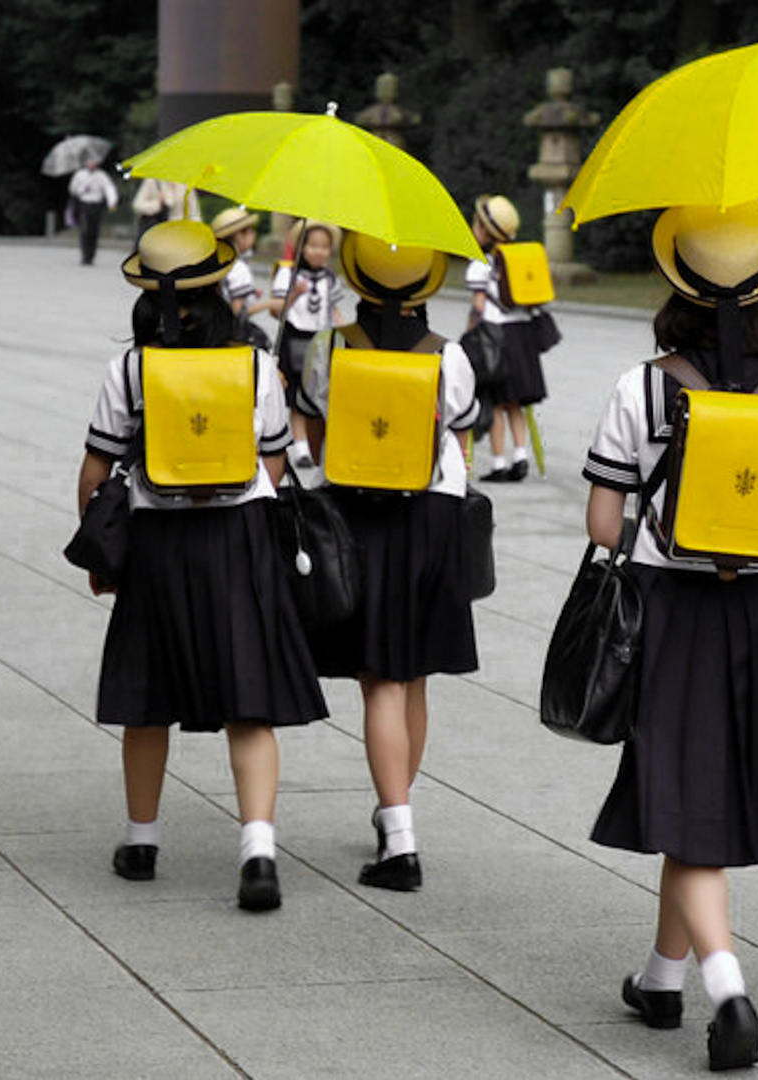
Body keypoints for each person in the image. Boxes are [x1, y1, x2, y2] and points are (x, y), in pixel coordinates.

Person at [580, 202, 758, 1071]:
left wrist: (658, 532)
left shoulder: (642, 384)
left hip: (668, 607)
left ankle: (724, 988)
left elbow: (602, 519)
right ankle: (660, 977)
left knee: (684, 797)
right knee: (691, 792)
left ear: (676, 282)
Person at [76, 219, 327, 911]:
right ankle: (257, 849)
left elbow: (97, 467)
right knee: (249, 702)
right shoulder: (253, 365)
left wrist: (102, 553)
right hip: (238, 537)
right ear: (217, 287)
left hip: (157, 542)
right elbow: (273, 460)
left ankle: (140, 839)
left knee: (147, 696)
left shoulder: (129, 368)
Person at [296, 231, 479, 892]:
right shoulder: (448, 354)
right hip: (429, 517)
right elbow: (458, 438)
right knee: (413, 673)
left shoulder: (331, 345)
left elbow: (313, 435)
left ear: (357, 275)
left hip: (355, 515)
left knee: (380, 679)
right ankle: (393, 808)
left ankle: (400, 839)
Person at [465, 195, 547, 482]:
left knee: (497, 402)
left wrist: (469, 336)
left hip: (495, 337)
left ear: (487, 231)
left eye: (477, 224)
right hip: (522, 337)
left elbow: (478, 307)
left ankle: (499, 463)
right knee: (517, 403)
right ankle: (521, 455)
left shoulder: (480, 265)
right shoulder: (522, 260)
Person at [269, 219, 346, 466]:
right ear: (302, 247)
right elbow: (276, 310)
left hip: (320, 339)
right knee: (295, 394)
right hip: (294, 335)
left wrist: (343, 330)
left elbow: (333, 310)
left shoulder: (331, 279)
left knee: (319, 391)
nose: (318, 251)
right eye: (312, 245)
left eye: (324, 247)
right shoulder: (288, 274)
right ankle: (300, 446)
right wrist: (295, 294)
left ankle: (319, 444)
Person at [210, 205, 271, 349]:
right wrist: (270, 304)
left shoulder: (219, 264)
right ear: (237, 237)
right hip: (232, 334)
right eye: (249, 231)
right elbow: (236, 312)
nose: (252, 235)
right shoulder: (239, 268)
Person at [67, 155, 119, 265]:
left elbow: (109, 188)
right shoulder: (80, 175)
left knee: (93, 230)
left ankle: (91, 254)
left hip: (96, 205)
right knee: (85, 230)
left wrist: (112, 202)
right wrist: (83, 189)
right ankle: (85, 254)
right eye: (90, 162)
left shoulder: (101, 176)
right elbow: (73, 189)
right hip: (84, 204)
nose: (92, 164)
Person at [132, 178, 197, 238]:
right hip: (158, 233)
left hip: (180, 234)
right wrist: (157, 203)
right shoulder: (153, 181)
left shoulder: (186, 183)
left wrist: (196, 233)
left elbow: (194, 213)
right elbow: (137, 206)